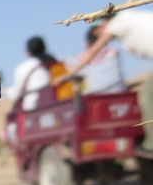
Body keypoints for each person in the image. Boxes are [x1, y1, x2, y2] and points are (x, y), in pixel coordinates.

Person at [58, 9, 153, 156]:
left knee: (147, 94)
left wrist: (68, 75)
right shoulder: (133, 16)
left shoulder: (116, 24)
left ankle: (151, 145)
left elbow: (91, 54)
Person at [7, 36, 69, 111]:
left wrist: (5, 91)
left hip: (33, 111)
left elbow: (16, 94)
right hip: (60, 106)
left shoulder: (23, 67)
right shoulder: (56, 63)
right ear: (44, 48)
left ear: (28, 52)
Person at [77, 24, 126, 94]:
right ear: (96, 32)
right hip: (119, 92)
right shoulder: (112, 52)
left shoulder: (81, 58)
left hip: (94, 96)